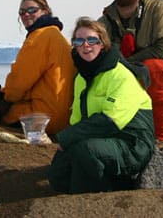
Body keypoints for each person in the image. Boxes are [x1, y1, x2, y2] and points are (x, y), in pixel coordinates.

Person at [48, 18, 154, 194]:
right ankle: (100, 186)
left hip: (132, 143)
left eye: (92, 40)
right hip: (102, 140)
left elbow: (110, 121)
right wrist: (67, 144)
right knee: (57, 173)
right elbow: (78, 120)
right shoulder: (82, 77)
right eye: (79, 41)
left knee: (86, 151)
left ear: (103, 44)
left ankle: (100, 198)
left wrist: (66, 138)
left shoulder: (121, 76)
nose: (85, 45)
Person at [99, 0, 163, 149]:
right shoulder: (104, 21)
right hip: (127, 76)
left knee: (156, 68)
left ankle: (162, 137)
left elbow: (161, 49)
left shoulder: (159, 8)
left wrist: (124, 65)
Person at [0, 0, 75, 135]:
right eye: (22, 12)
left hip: (43, 116)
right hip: (65, 117)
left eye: (32, 10)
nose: (26, 15)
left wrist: (5, 97)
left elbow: (18, 83)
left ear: (45, 11)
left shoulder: (39, 37)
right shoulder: (57, 36)